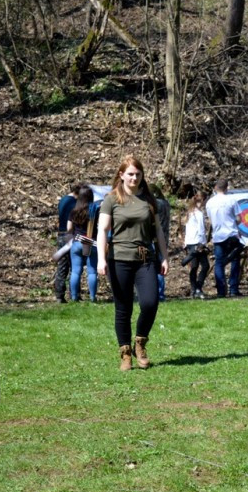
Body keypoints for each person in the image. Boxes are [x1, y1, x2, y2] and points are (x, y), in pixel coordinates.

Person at [97, 156, 169, 371]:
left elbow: (158, 231)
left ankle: (140, 343)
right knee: (123, 308)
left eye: (138, 174)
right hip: (119, 259)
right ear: (121, 175)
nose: (134, 178)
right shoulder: (111, 199)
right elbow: (102, 230)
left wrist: (164, 256)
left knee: (150, 302)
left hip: (145, 258)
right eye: (130, 174)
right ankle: (125, 352)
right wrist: (101, 258)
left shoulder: (149, 200)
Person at [206, 179, 242, 298]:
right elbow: (239, 219)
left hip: (218, 236)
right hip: (231, 234)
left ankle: (221, 291)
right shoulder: (231, 200)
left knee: (219, 264)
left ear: (215, 187)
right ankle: (233, 289)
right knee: (235, 261)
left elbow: (210, 221)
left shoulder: (210, 203)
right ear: (227, 188)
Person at [67, 186, 99, 302]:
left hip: (77, 241)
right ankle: (92, 297)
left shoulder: (74, 210)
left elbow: (69, 228)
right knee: (92, 271)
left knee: (76, 271)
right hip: (91, 241)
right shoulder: (95, 210)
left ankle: (74, 297)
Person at [54, 183, 82, 303]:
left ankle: (59, 294)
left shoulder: (63, 200)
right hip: (70, 235)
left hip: (61, 234)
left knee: (62, 265)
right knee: (74, 266)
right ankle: (73, 294)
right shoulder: (73, 203)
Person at [182, 192, 210, 299]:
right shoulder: (198, 213)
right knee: (205, 266)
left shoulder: (190, 212)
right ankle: (197, 288)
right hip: (198, 243)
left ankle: (194, 290)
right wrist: (203, 244)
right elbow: (201, 230)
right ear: (203, 200)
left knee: (194, 267)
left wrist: (186, 242)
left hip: (190, 243)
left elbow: (187, 229)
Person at [151, 185, 171, 301]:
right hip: (164, 236)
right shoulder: (166, 203)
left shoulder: (155, 204)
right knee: (160, 265)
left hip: (155, 237)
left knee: (154, 266)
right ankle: (161, 293)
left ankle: (157, 293)